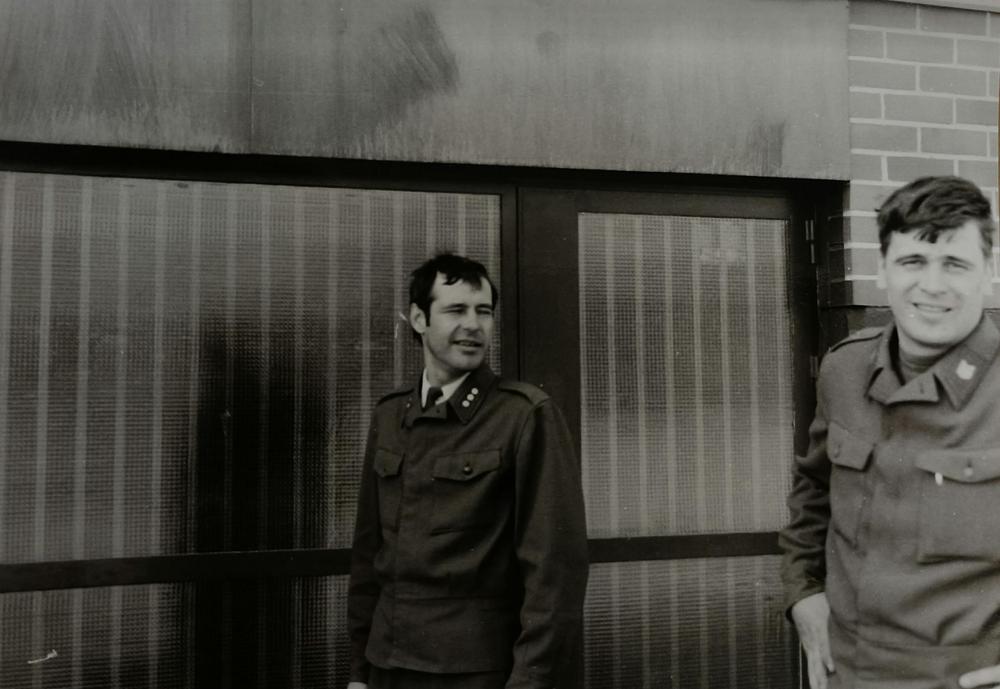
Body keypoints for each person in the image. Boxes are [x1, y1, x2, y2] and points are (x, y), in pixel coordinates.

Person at [781, 176, 1000, 689]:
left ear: (988, 272)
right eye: (912, 261)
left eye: (955, 264)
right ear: (882, 269)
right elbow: (814, 491)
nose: (933, 285)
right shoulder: (844, 369)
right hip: (847, 673)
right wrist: (802, 591)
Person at [346, 253, 589, 689]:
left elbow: (554, 574)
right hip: (387, 664)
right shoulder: (389, 415)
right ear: (418, 319)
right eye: (456, 310)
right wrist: (360, 673)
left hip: (475, 673)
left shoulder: (523, 415)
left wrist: (529, 682)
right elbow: (368, 556)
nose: (474, 325)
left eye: (484, 312)